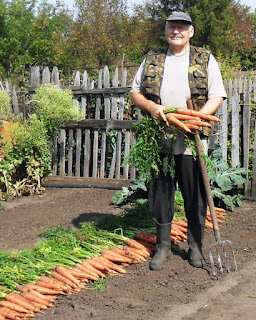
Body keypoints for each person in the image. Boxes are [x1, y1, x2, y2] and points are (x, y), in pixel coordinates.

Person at [130, 11, 226, 270]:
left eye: (182, 27)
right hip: (158, 140)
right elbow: (135, 93)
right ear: (166, 31)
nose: (177, 31)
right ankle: (162, 247)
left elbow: (217, 96)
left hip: (191, 140)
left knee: (195, 195)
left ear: (191, 32)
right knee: (160, 194)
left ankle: (195, 247)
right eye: (172, 27)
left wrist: (196, 118)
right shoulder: (152, 58)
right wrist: (152, 108)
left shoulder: (204, 58)